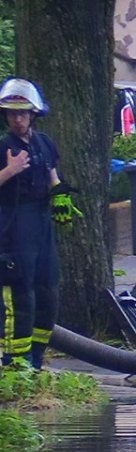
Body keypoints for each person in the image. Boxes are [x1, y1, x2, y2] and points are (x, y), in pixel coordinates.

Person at [0, 78, 78, 369]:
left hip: (41, 227)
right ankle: (15, 366)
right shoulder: (3, 147)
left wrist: (60, 195)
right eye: (11, 114)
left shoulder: (44, 143)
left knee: (46, 293)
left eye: (22, 113)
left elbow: (52, 175)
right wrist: (10, 170)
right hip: (11, 230)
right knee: (19, 298)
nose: (17, 119)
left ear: (33, 114)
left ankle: (35, 361)